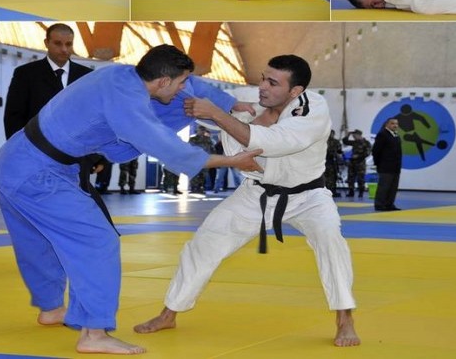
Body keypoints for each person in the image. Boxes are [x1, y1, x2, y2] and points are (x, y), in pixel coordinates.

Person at [0, 44, 263, 355]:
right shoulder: (128, 105)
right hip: (38, 174)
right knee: (97, 240)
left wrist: (230, 103)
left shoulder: (120, 75)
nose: (184, 88)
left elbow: (193, 85)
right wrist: (232, 161)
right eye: (179, 83)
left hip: (15, 161)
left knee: (37, 241)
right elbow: (171, 150)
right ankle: (93, 333)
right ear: (163, 81)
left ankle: (51, 308)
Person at [134, 55, 360, 348]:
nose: (262, 87)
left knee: (332, 243)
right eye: (263, 78)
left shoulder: (312, 108)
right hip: (256, 194)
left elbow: (274, 143)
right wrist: (211, 108)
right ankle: (170, 313)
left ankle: (345, 318)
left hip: (309, 196)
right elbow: (205, 113)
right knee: (203, 243)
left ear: (295, 91)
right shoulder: (247, 110)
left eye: (273, 83)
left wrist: (217, 114)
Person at [4, 23, 93, 139]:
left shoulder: (86, 76)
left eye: (68, 44)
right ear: (46, 43)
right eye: (58, 43)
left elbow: (91, 115)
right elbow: (13, 117)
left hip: (77, 146)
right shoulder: (26, 74)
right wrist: (20, 147)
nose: (64, 49)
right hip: (37, 145)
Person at [372, 118, 402, 211]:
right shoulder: (382, 135)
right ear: (387, 124)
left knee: (393, 187)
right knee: (384, 187)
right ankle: (379, 205)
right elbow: (376, 151)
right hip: (385, 166)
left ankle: (389, 204)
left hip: (395, 166)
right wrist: (378, 164)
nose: (395, 125)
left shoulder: (396, 135)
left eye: (396, 124)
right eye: (392, 123)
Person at [342, 130, 371, 198]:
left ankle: (361, 192)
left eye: (354, 135)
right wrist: (348, 135)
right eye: (353, 136)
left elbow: (367, 153)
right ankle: (351, 192)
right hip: (352, 163)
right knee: (350, 178)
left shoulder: (366, 143)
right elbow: (345, 141)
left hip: (360, 163)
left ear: (359, 135)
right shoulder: (355, 142)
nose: (354, 137)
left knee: (360, 179)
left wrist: (358, 156)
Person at [188, 125, 215, 193]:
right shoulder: (193, 139)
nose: (202, 132)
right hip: (195, 160)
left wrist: (213, 156)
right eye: (201, 130)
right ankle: (194, 188)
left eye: (203, 130)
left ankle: (201, 187)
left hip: (205, 159)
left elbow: (212, 148)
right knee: (194, 174)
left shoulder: (207, 139)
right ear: (197, 131)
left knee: (203, 174)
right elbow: (189, 149)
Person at [325, 129, 343, 197]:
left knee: (333, 177)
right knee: (330, 177)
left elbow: (339, 151)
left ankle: (331, 191)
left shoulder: (334, 141)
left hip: (331, 162)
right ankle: (331, 191)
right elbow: (339, 151)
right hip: (328, 161)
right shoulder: (325, 141)